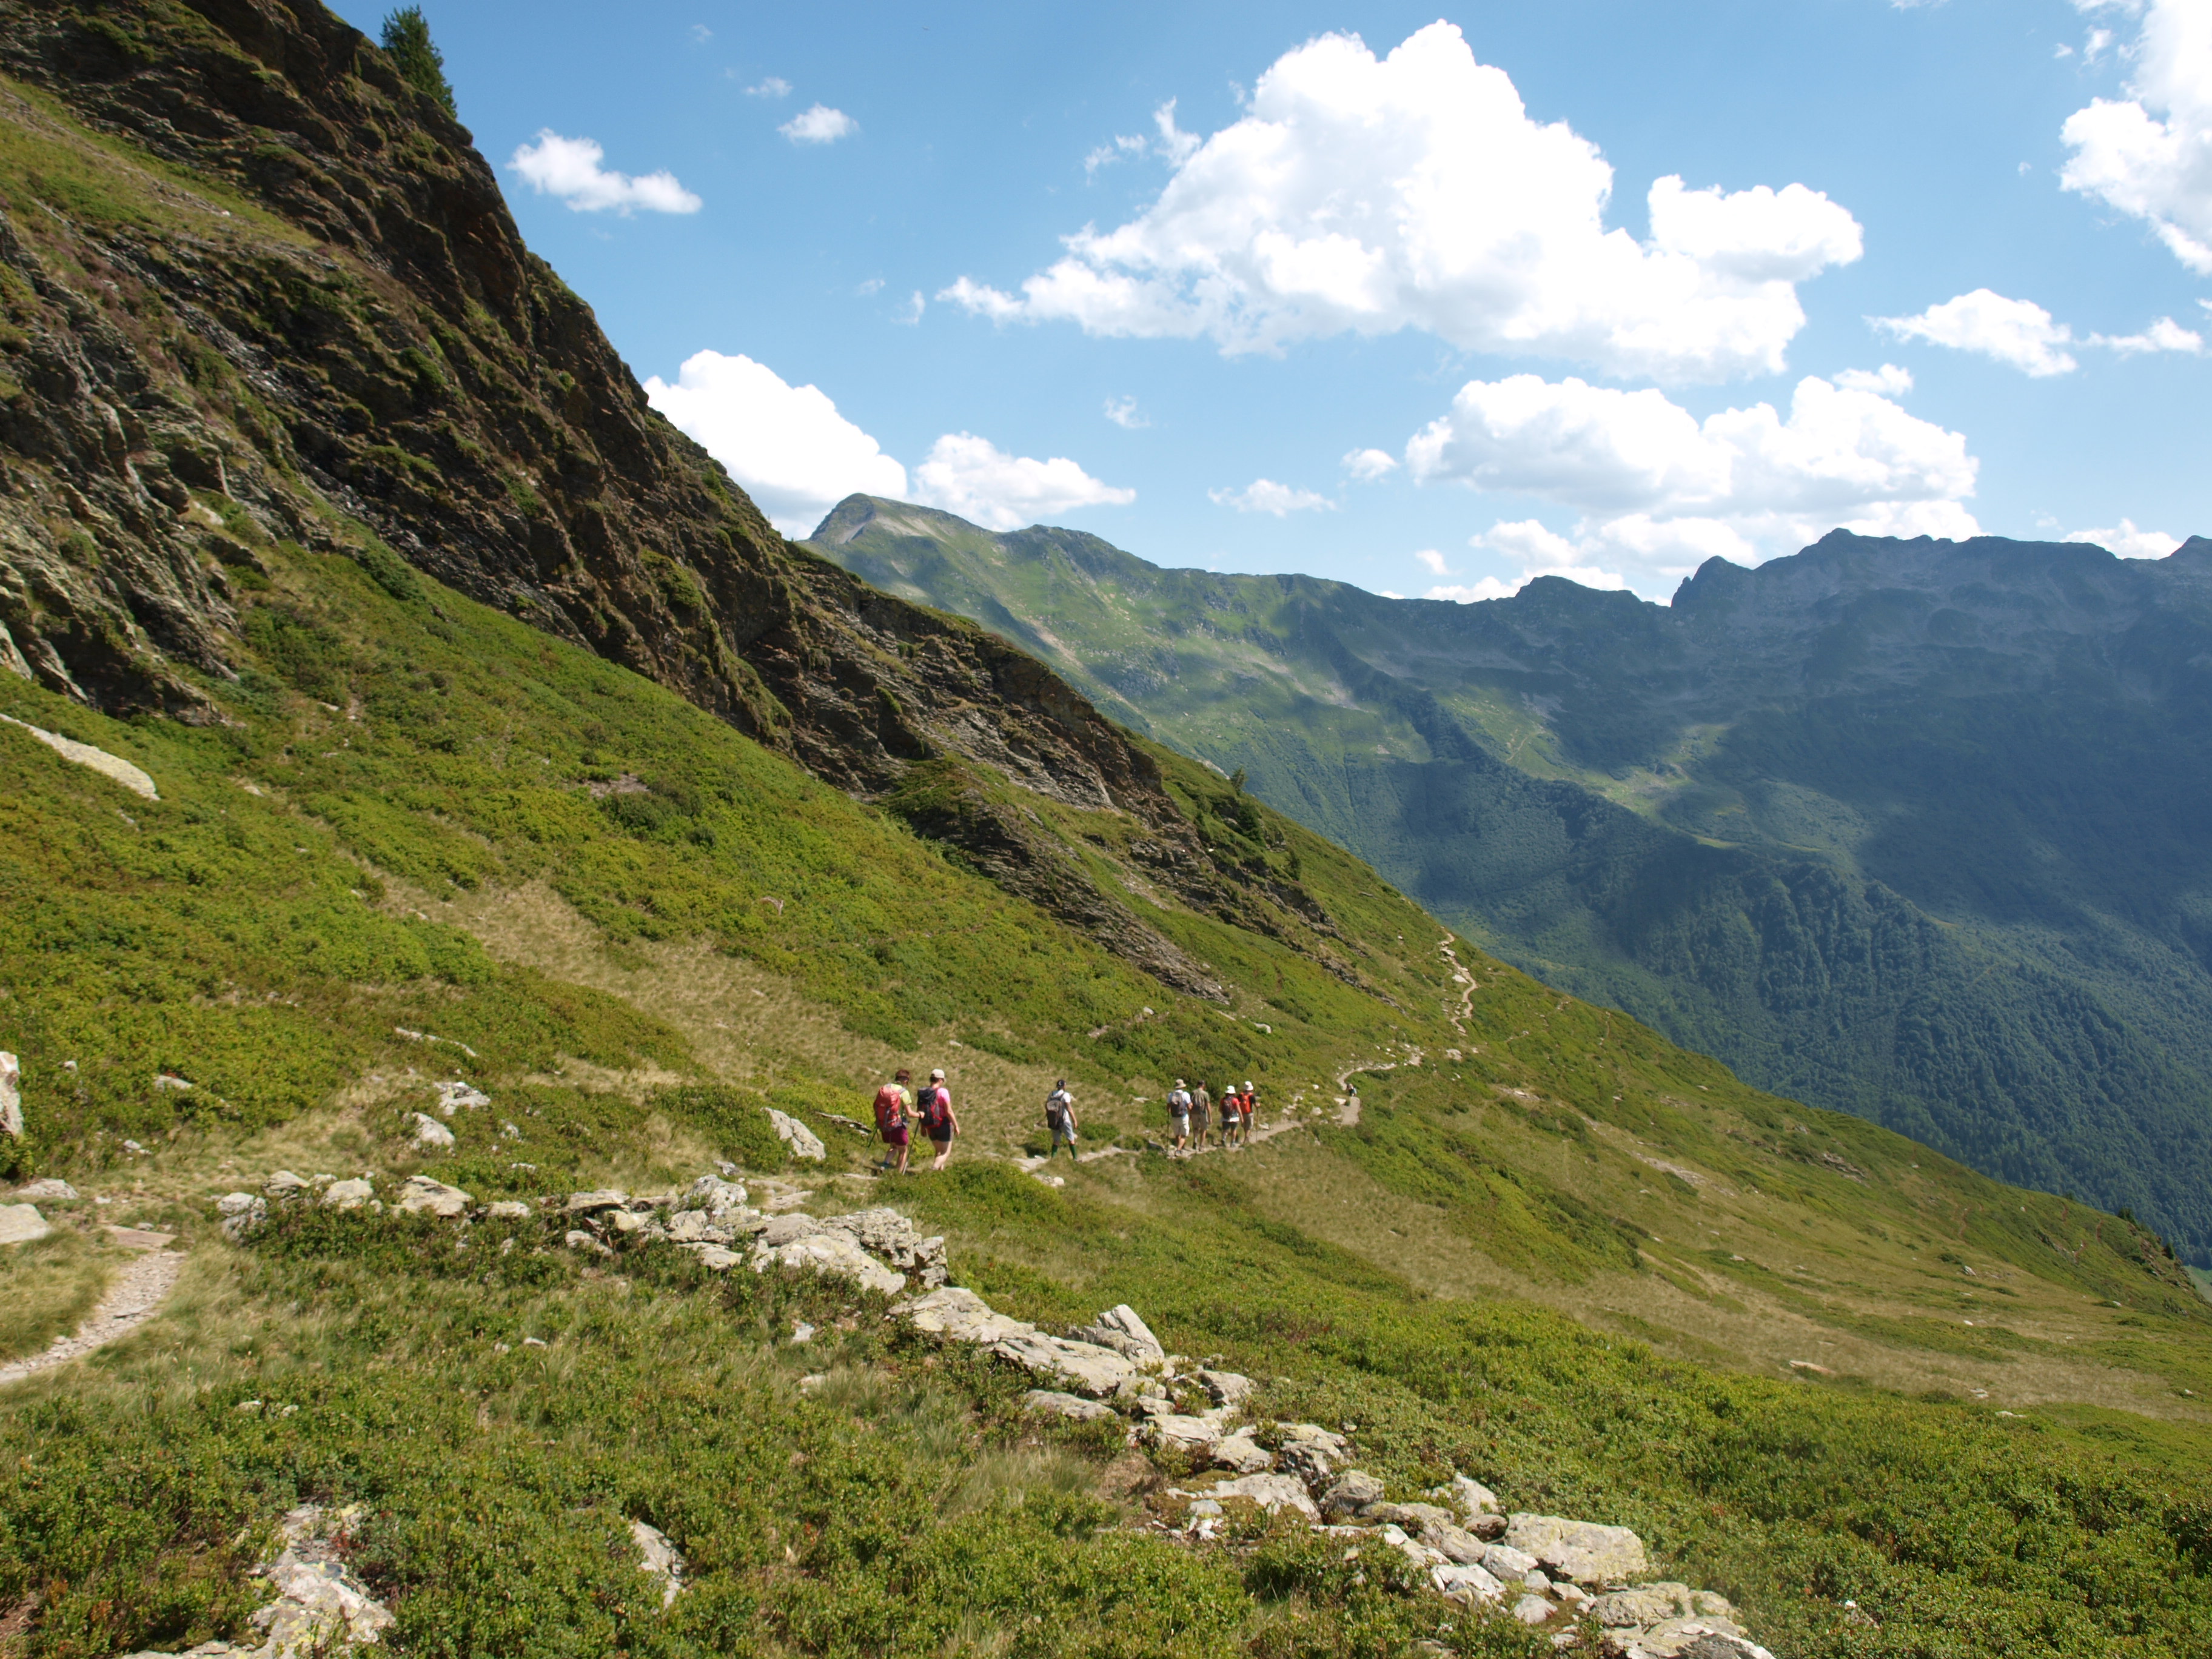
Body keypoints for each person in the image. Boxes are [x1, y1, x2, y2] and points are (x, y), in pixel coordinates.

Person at [874, 1068, 913, 1175]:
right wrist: (920, 1114)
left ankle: (884, 1165)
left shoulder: (886, 1088)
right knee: (903, 1150)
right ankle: (898, 1174)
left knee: (894, 1147)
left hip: (884, 1124)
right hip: (898, 1126)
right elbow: (909, 1113)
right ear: (905, 1080)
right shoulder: (904, 1092)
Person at [920, 1067, 960, 1170]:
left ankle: (939, 1176)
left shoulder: (925, 1092)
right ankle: (933, 1169)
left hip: (930, 1126)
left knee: (938, 1152)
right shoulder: (943, 1092)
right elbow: (949, 1111)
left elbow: (922, 1111)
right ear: (941, 1080)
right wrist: (956, 1125)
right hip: (944, 1125)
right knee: (945, 1153)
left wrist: (922, 1127)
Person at [1044, 1078, 1079, 1163]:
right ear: (1064, 1086)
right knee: (1071, 1139)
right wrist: (1075, 1120)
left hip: (1054, 1121)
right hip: (1064, 1120)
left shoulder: (1051, 1094)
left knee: (1056, 1141)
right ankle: (1075, 1158)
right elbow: (1069, 1109)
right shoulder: (1065, 1095)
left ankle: (1053, 1158)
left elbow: (1047, 1106)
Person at [1166, 1078, 1193, 1154]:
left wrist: (1170, 1112)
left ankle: (1179, 1147)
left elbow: (1168, 1107)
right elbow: (1189, 1107)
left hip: (1174, 1117)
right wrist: (1191, 1115)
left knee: (1177, 1134)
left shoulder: (1170, 1095)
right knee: (1184, 1135)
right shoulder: (1185, 1095)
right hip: (1183, 1117)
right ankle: (1178, 1150)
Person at [1191, 1081, 1213, 1151]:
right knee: (1203, 1129)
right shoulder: (1205, 1094)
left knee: (1195, 1128)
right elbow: (1208, 1106)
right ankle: (1201, 1146)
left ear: (1197, 1085)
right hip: (1202, 1113)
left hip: (1194, 1112)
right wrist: (1210, 1116)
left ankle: (1195, 1140)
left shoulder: (1193, 1092)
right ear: (1203, 1085)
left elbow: (1190, 1104)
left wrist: (1190, 1114)